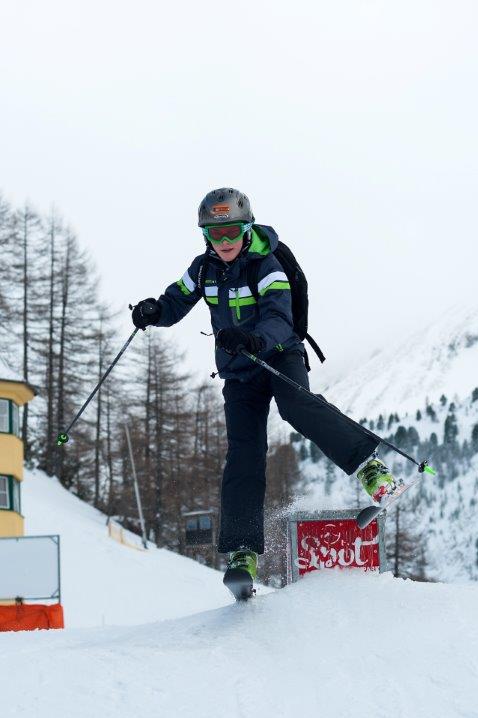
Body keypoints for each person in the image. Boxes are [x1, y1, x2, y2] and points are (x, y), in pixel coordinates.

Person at [132, 188, 396, 599]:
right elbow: (176, 300)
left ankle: (370, 468)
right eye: (214, 234)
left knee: (297, 407)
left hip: (277, 355)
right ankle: (242, 551)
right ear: (205, 235)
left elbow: (279, 314)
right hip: (239, 372)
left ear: (247, 227)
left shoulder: (267, 264)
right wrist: (154, 311)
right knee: (244, 452)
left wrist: (256, 340)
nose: (224, 242)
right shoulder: (203, 269)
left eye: (231, 231)